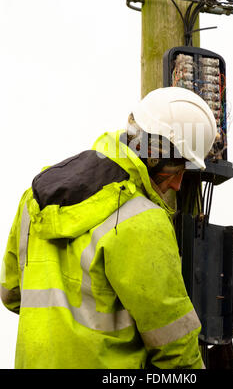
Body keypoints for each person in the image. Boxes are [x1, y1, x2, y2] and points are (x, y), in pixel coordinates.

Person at [0, 87, 217, 369]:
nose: (177, 184)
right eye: (177, 170)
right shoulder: (141, 219)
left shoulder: (36, 197)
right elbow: (176, 348)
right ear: (155, 156)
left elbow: (11, 293)